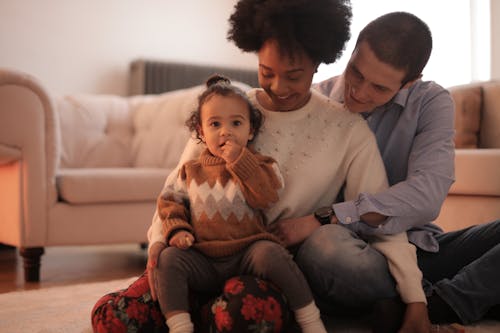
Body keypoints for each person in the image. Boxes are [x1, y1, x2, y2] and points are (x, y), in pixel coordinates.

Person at [90, 2, 428, 332]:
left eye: (294, 76)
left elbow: (380, 221)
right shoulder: (227, 108)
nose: (279, 87)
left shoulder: (348, 130)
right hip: (200, 255)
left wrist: (415, 302)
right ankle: (201, 307)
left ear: (318, 63)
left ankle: (208, 312)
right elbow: (178, 187)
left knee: (243, 316)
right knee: (115, 318)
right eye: (267, 73)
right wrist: (159, 245)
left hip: (268, 267)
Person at [267, 10, 500, 330]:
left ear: (409, 82)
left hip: (419, 252)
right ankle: (459, 294)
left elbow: (428, 195)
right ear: (351, 54)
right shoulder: (313, 100)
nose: (359, 93)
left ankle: (441, 305)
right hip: (343, 256)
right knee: (326, 248)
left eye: (378, 88)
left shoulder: (430, 102)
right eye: (356, 73)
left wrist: (332, 214)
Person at [153, 74, 327, 333]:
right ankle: (180, 326)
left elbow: (266, 196)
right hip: (203, 257)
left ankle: (311, 321)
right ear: (201, 131)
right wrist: (177, 230)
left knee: (272, 253)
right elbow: (170, 202)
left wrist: (239, 161)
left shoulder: (260, 164)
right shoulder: (191, 170)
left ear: (251, 130)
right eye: (214, 124)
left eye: (236, 123)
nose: (225, 132)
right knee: (168, 259)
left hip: (247, 253)